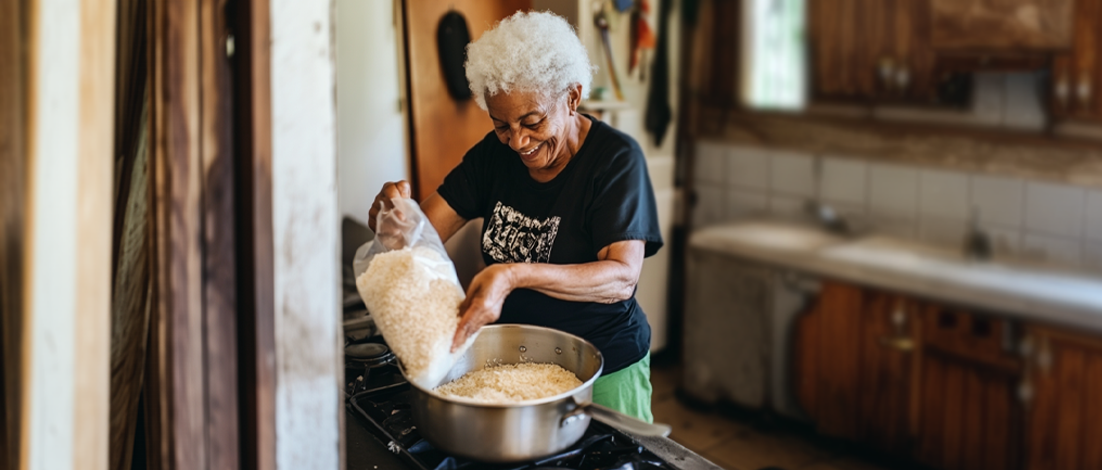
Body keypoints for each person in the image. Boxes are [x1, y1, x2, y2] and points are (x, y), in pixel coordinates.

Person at [368, 10, 662, 422]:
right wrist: (391, 219)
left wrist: (512, 274)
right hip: (519, 364)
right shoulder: (494, 155)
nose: (518, 142)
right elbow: (417, 236)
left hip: (604, 366)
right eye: (502, 125)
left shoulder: (615, 160)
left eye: (532, 121)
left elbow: (620, 278)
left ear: (572, 97)